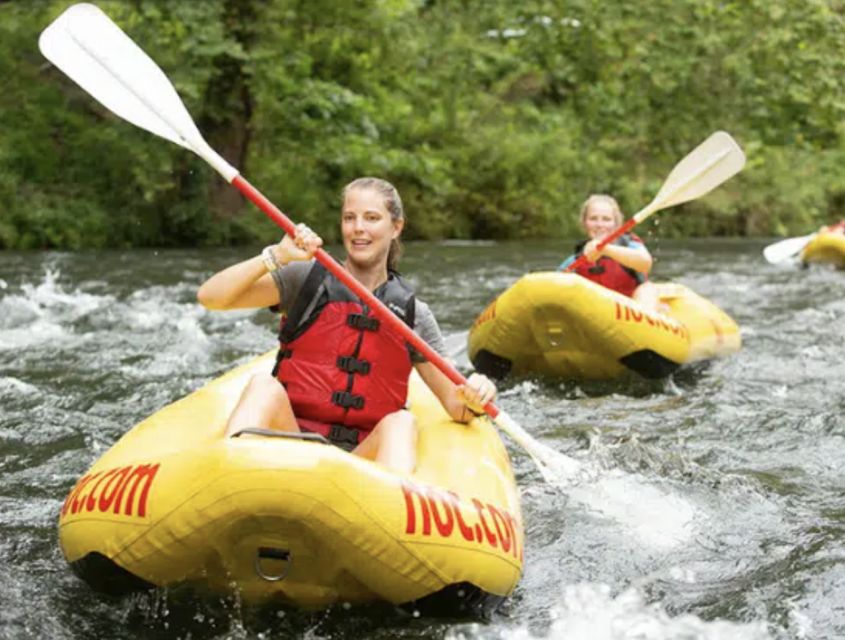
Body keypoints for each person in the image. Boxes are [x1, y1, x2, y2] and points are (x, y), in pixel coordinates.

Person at [197, 177, 496, 474]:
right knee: (263, 386)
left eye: (372, 218)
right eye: (349, 218)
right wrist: (277, 256)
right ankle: (230, 472)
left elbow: (457, 406)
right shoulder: (305, 278)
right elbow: (212, 297)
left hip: (362, 466)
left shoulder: (413, 314)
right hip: (289, 443)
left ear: (396, 227)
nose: (358, 228)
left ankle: (389, 504)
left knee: (402, 422)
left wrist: (479, 391)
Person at [558, 194, 660, 312]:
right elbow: (554, 283)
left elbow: (646, 263)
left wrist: (606, 249)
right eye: (593, 219)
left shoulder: (629, 245)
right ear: (584, 223)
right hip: (596, 315)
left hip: (631, 313)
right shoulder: (576, 260)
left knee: (647, 289)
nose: (599, 225)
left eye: (606, 219)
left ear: (616, 224)